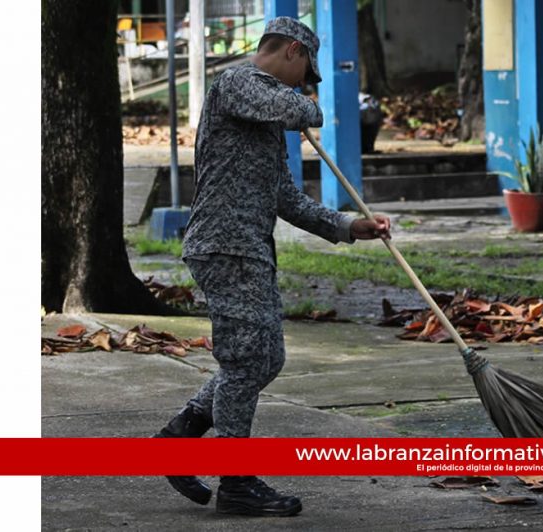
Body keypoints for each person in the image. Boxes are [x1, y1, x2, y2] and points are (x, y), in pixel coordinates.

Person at [152, 16, 391, 517]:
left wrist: (349, 225)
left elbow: (287, 198)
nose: (306, 83)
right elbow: (291, 105)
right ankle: (236, 481)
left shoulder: (264, 121)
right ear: (290, 50)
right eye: (306, 70)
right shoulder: (239, 83)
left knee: (264, 358)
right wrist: (308, 108)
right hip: (225, 245)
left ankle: (179, 436)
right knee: (245, 361)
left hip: (248, 248)